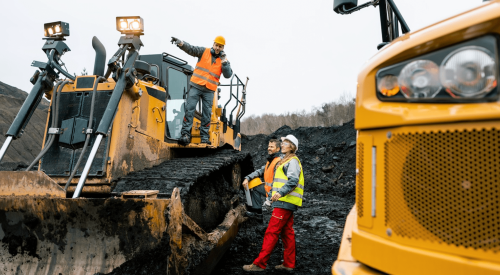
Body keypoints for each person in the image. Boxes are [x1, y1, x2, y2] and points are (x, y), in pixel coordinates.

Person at [243, 135, 304, 272]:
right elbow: (276, 184)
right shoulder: (284, 161)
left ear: (292, 147)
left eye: (285, 143)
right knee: (287, 233)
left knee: (271, 232)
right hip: (284, 202)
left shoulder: (292, 161)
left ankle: (259, 264)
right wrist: (270, 198)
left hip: (284, 202)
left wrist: (280, 194)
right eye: (282, 142)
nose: (282, 145)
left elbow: (293, 180)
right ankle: (289, 264)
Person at [170, 36, 233, 145]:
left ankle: (204, 137)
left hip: (209, 90)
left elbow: (228, 75)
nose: (218, 48)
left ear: (223, 48)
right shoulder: (204, 51)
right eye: (216, 45)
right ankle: (185, 134)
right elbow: (191, 49)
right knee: (190, 109)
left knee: (207, 114)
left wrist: (224, 62)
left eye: (220, 46)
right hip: (196, 86)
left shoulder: (224, 60)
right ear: (213, 44)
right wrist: (180, 43)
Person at [242, 139, 282, 220]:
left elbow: (276, 182)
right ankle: (257, 213)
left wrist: (269, 199)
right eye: (268, 146)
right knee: (255, 186)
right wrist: (247, 178)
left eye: (271, 147)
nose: (269, 148)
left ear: (278, 149)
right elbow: (260, 171)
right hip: (269, 190)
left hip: (276, 192)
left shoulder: (278, 162)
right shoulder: (271, 161)